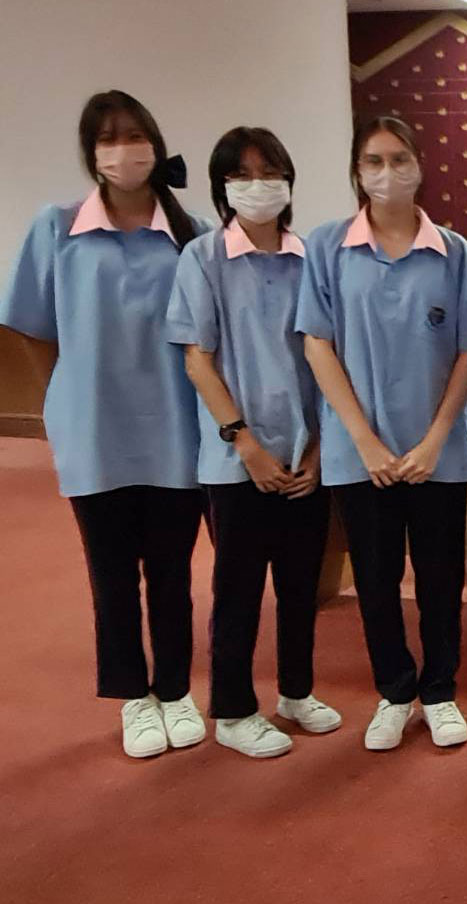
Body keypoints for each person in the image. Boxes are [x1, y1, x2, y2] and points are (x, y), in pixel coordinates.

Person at [0, 90, 210, 757]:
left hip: (176, 428)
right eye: (109, 138)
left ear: (155, 143)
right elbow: (33, 326)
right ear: (92, 154)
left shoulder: (191, 231)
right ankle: (132, 697)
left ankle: (175, 689)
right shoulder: (58, 227)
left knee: (172, 572)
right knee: (112, 573)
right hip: (95, 430)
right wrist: (65, 392)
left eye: (134, 135)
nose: (125, 149)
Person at [297, 116, 467, 752]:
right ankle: (395, 692)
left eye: (400, 159)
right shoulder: (328, 246)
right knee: (375, 580)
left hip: (437, 453)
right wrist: (364, 440)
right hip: (360, 453)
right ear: (357, 172)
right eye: (373, 161)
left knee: (441, 580)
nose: (387, 172)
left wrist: (434, 440)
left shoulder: (455, 252)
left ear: (420, 166)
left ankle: (441, 690)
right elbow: (317, 343)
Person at [167, 126, 341, 759]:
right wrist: (246, 445)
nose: (257, 185)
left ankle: (296, 692)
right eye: (240, 174)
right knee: (238, 588)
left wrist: (318, 448)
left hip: (306, 452)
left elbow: (329, 357)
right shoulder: (204, 258)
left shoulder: (313, 258)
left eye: (269, 172)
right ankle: (235, 710)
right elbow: (197, 359)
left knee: (301, 585)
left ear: (289, 180)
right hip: (237, 459)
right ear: (222, 186)